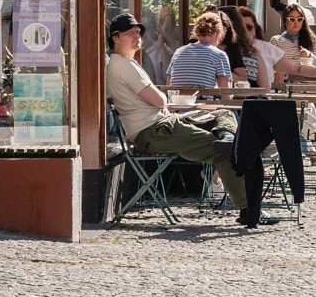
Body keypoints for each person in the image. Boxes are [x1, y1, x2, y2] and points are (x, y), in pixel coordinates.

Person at [105, 13, 269, 227]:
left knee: (222, 114)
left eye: (138, 32)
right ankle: (249, 208)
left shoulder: (127, 63)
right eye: (130, 33)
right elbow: (158, 99)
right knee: (224, 150)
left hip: (162, 124)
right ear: (116, 37)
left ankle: (227, 136)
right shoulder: (124, 66)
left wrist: (163, 101)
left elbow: (164, 93)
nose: (137, 36)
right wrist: (162, 99)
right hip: (153, 130)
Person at [167, 11, 234, 97]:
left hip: (177, 107)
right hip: (204, 108)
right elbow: (225, 95)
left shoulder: (179, 52)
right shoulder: (219, 55)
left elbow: (169, 83)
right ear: (218, 34)